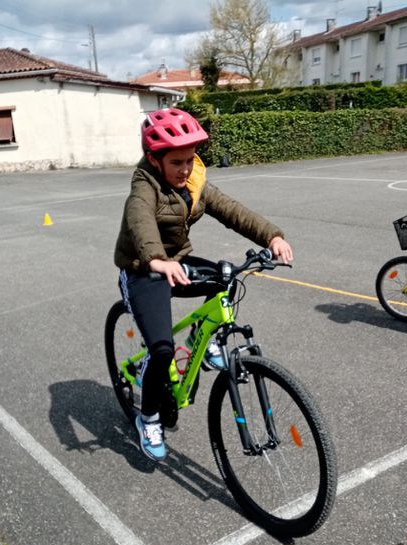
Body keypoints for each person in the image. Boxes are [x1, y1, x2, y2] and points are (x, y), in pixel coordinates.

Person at [114, 107, 293, 462]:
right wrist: (156, 260)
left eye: (190, 159)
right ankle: (148, 418)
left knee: (226, 275)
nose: (185, 169)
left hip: (176, 263)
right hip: (142, 269)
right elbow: (140, 222)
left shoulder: (194, 180)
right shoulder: (143, 187)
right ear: (155, 159)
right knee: (162, 350)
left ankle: (202, 338)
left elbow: (232, 210)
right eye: (176, 162)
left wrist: (271, 235)